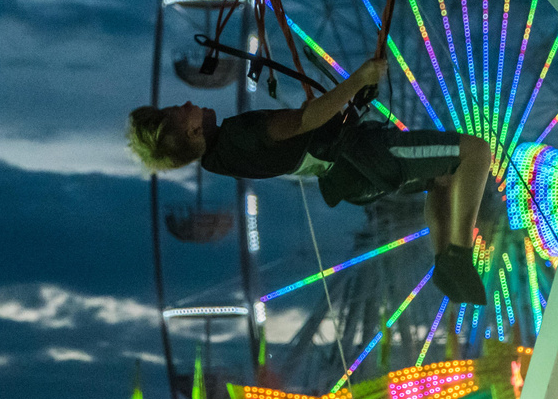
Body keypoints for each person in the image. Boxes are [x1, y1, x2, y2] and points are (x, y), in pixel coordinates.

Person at [127, 57, 490, 303]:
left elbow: (308, 136)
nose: (190, 102)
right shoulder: (239, 134)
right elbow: (306, 121)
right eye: (182, 109)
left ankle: (444, 259)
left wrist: (350, 105)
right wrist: (358, 79)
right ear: (191, 131)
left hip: (349, 177)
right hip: (368, 154)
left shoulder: (219, 159)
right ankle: (458, 253)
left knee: (442, 180)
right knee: (474, 153)